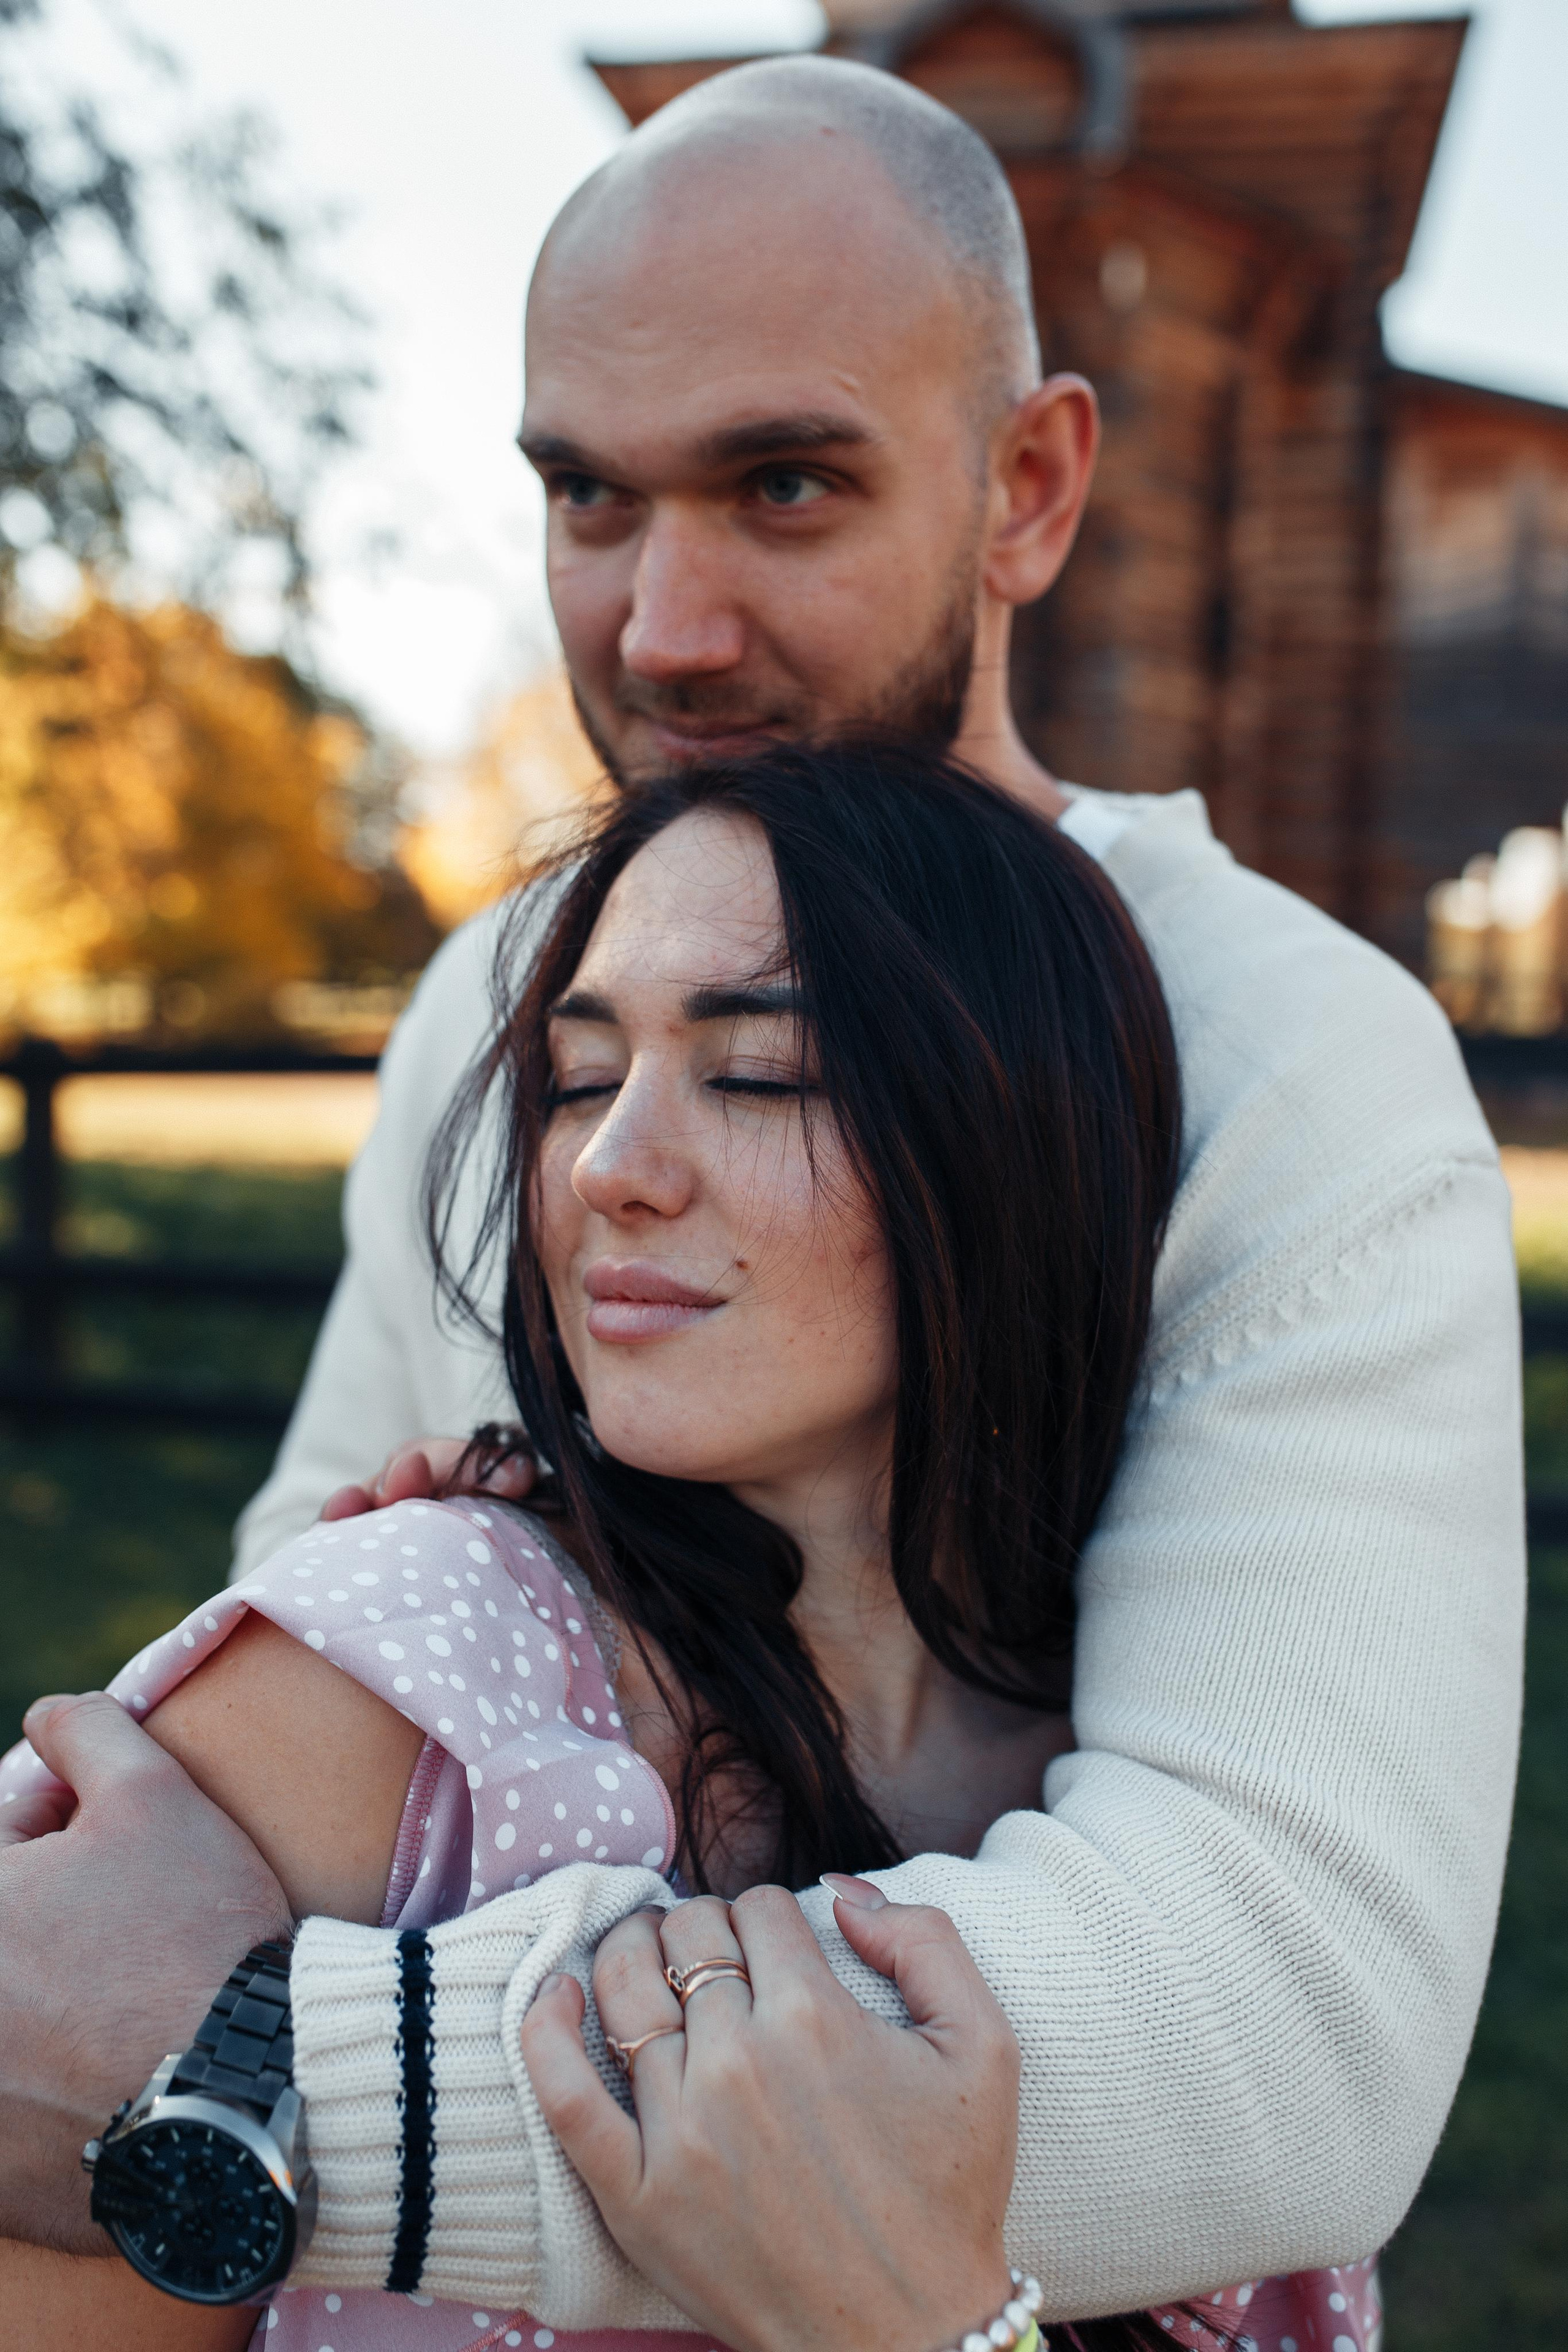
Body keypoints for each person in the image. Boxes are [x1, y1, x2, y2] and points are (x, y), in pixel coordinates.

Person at [0, 49, 1521, 2333]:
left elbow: (1267, 2021)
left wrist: (249, 2086)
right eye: (589, 499)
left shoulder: (1284, 1051)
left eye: (785, 485)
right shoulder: (487, 1003)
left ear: (1028, 486)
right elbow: (282, 1689)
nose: (666, 628)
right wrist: (456, 1621)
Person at [4, 744, 1373, 2352]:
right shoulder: (410, 1682)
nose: (611, 1168)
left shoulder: (1185, 1818)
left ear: (1015, 1139)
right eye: (582, 1078)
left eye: (761, 1074)